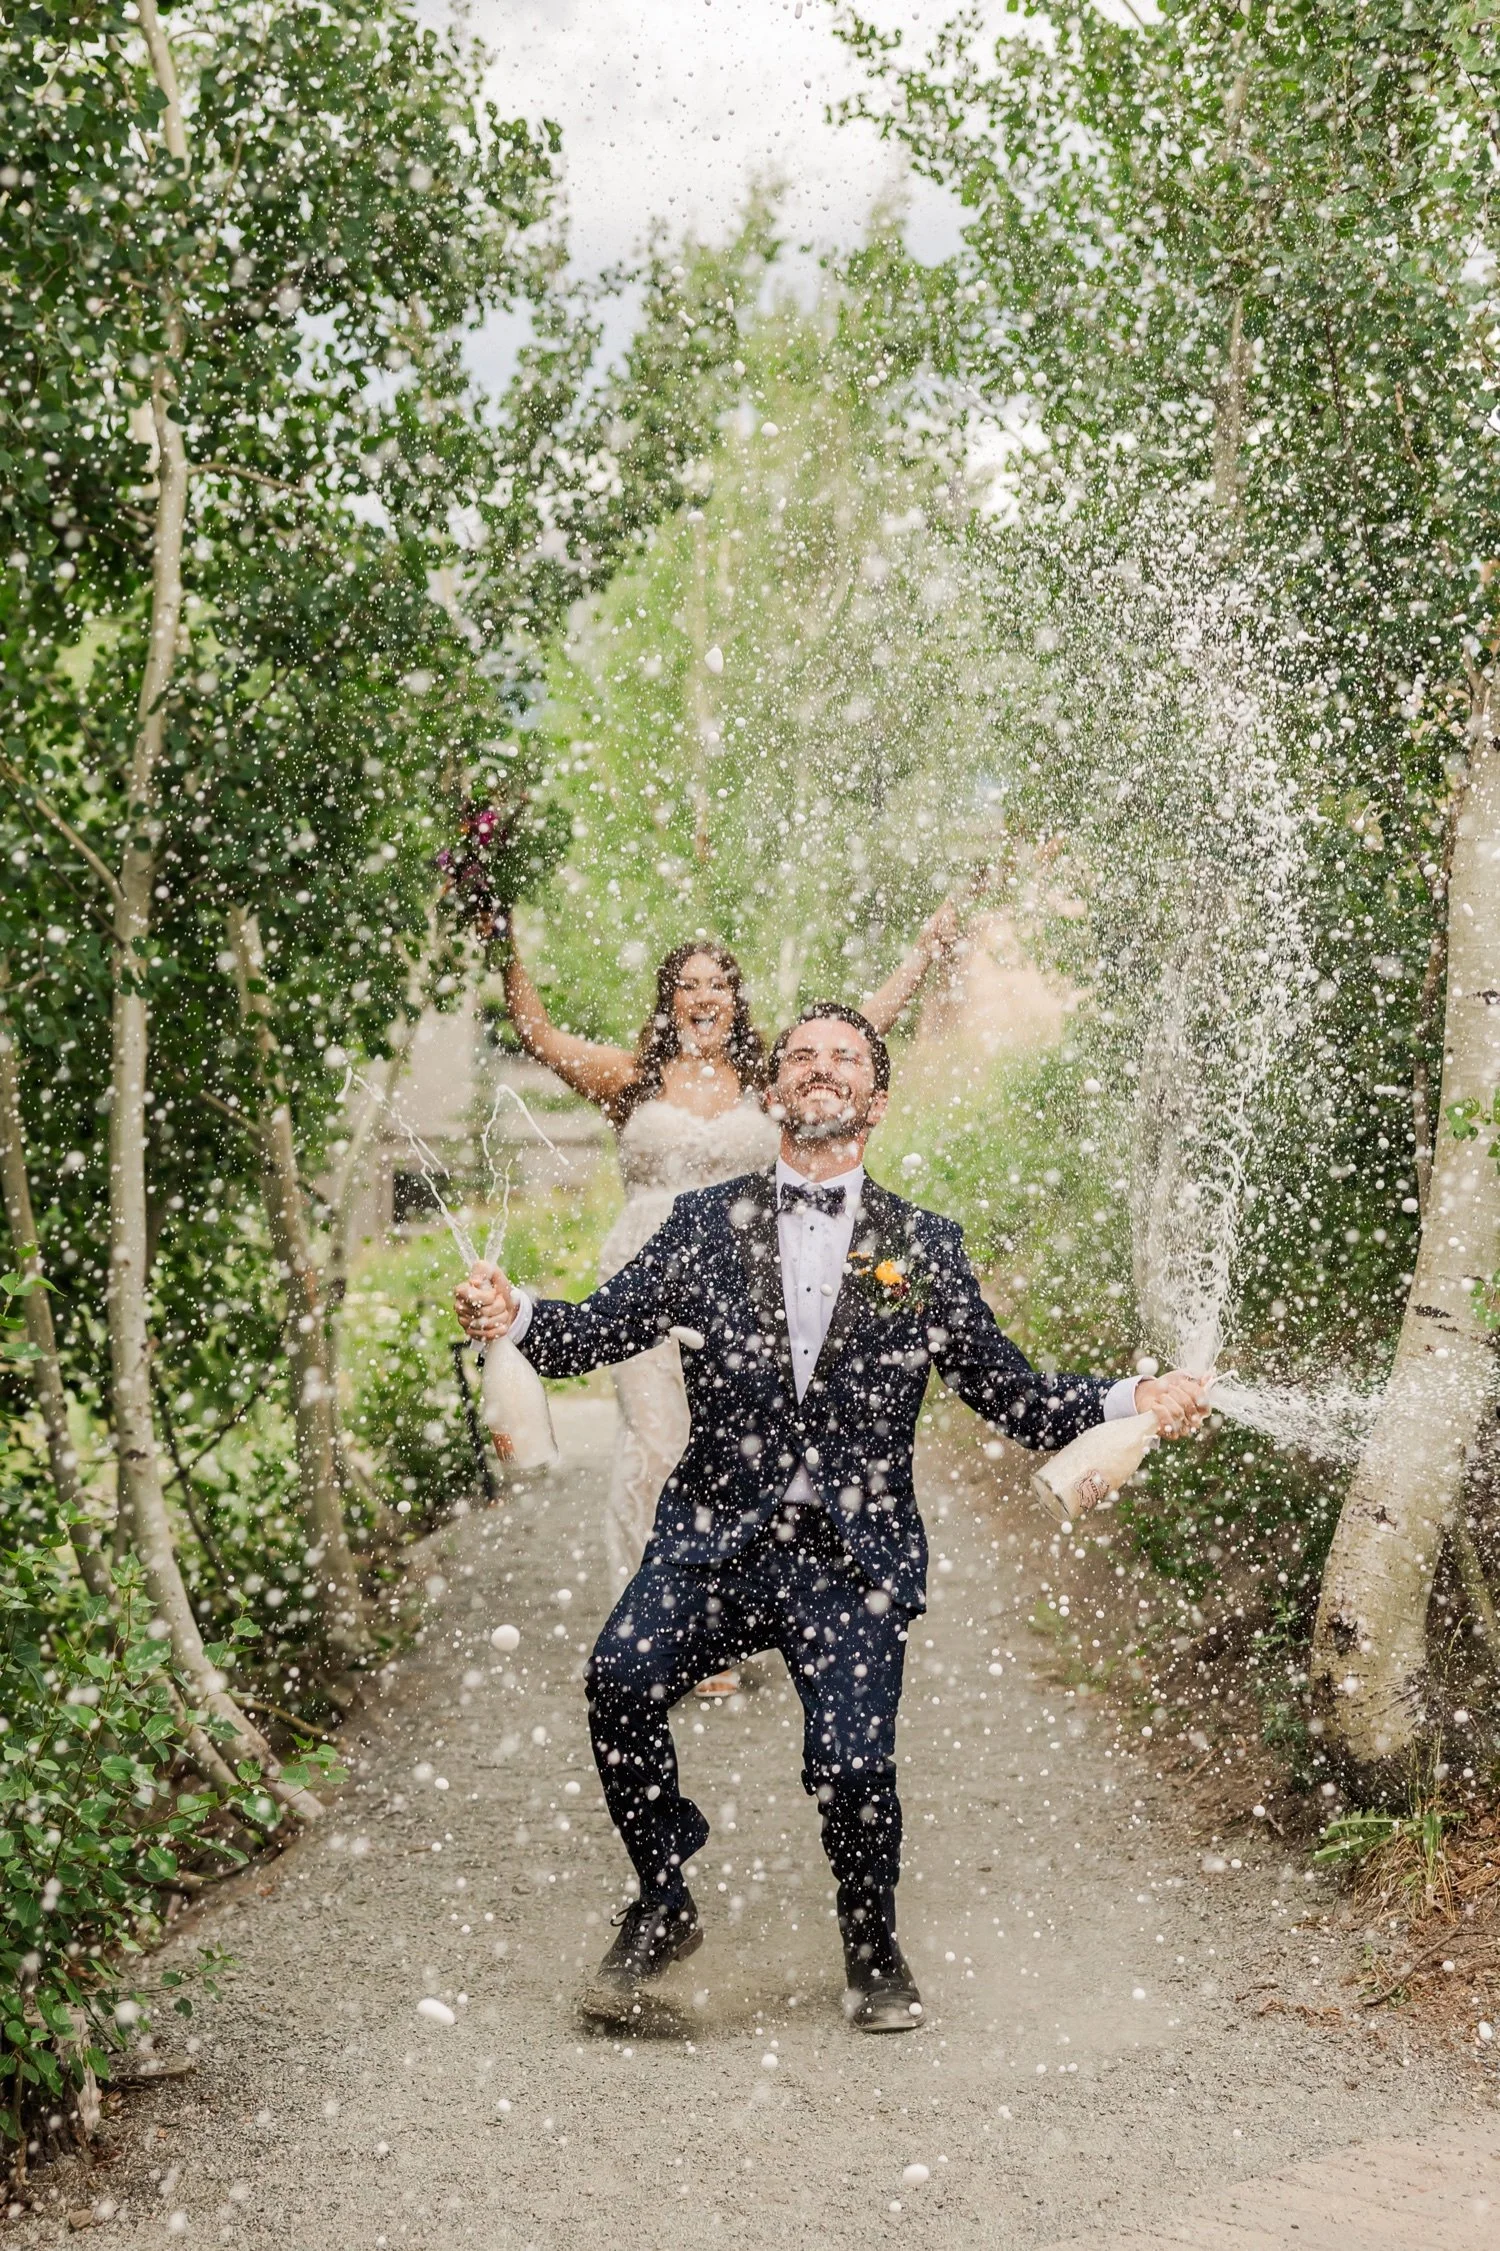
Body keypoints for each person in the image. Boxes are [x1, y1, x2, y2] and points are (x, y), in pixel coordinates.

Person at [455, 1003, 1209, 2033]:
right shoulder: (700, 1226)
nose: (820, 1069)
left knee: (854, 1769)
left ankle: (871, 1939)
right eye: (801, 1056)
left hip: (850, 1557)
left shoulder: (923, 1248)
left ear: (875, 1101)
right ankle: (664, 1894)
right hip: (715, 1537)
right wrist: (518, 1315)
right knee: (619, 1680)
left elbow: (1015, 1395)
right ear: (773, 1093)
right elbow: (594, 1329)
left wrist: (1137, 1395)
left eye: (844, 1058)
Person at [499, 910, 961, 1693]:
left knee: (733, 1447)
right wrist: (499, 935)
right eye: (689, 985)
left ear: (736, 1000)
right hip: (648, 1269)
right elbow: (537, 1033)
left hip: (746, 1275)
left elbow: (861, 1033)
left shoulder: (767, 1079)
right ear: (670, 999)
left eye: (719, 984)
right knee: (654, 1440)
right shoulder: (630, 1078)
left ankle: (719, 1618)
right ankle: (651, 1625)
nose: (704, 997)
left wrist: (922, 953)